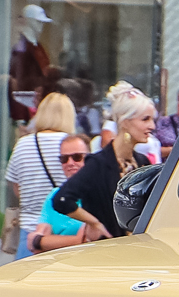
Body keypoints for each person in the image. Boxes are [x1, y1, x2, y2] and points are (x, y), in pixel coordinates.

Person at [49, 89, 156, 238]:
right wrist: (94, 223)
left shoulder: (142, 162)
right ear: (125, 122)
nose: (152, 126)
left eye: (152, 119)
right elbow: (62, 199)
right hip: (108, 253)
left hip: (137, 252)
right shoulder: (98, 164)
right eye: (145, 119)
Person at [9, 91, 77, 234]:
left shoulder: (23, 144)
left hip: (30, 229)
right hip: (64, 228)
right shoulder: (73, 145)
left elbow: (16, 186)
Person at [23, 135, 92, 253]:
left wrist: (42, 241)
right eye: (64, 159)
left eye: (77, 157)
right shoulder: (54, 195)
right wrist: (39, 242)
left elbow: (85, 240)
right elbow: (34, 246)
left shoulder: (98, 193)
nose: (70, 163)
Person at [9, 4, 54, 123]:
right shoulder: (21, 46)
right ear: (29, 21)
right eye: (38, 22)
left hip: (36, 99)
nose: (41, 26)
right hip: (25, 100)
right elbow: (17, 76)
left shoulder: (37, 46)